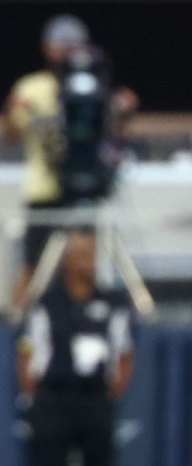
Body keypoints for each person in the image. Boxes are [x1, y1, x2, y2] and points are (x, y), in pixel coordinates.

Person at [15, 230, 135, 466]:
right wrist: (33, 396)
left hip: (94, 399)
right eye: (80, 254)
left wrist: (108, 395)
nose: (88, 261)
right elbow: (26, 349)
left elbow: (125, 352)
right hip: (52, 399)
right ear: (66, 259)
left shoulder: (112, 302)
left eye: (91, 254)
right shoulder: (47, 302)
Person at [2, 14, 136, 312]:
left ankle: (81, 330)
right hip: (45, 191)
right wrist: (13, 114)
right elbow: (12, 135)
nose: (66, 51)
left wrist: (122, 113)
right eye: (60, 44)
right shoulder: (32, 87)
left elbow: (109, 135)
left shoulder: (96, 84)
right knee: (32, 268)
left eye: (73, 45)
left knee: (82, 268)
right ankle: (14, 336)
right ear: (46, 47)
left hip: (86, 186)